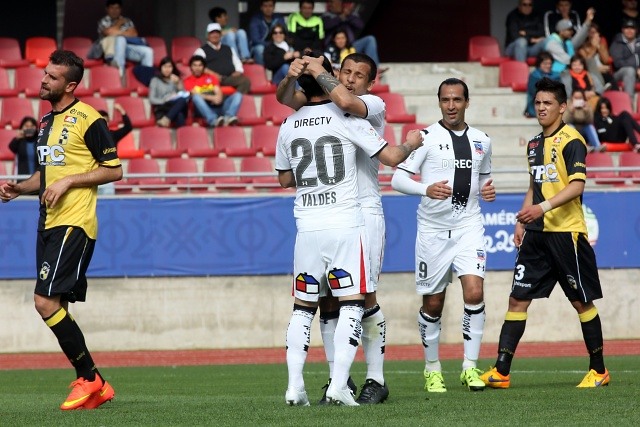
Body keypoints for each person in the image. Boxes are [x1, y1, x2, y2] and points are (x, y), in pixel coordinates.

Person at [276, 52, 423, 406]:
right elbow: (289, 98)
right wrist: (291, 75)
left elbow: (339, 99)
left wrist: (317, 72)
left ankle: (376, 378)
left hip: (363, 211)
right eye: (347, 72)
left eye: (360, 75)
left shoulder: (368, 104)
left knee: (364, 298)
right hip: (338, 215)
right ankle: (336, 379)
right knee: (328, 302)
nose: (352, 78)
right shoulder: (326, 111)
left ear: (370, 83)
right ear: (337, 72)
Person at [0, 49, 122, 409]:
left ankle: (89, 378)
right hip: (48, 221)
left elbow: (114, 169)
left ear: (70, 85)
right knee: (57, 305)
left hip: (75, 222)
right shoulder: (44, 123)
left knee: (44, 301)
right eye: (44, 73)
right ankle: (96, 385)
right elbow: (47, 175)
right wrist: (19, 188)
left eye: (52, 77)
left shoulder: (89, 118)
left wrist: (70, 182)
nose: (43, 80)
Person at [480, 77, 610, 389]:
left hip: (567, 233)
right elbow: (534, 186)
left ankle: (599, 370)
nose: (541, 108)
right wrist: (523, 220)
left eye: (548, 103)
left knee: (581, 302)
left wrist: (543, 208)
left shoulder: (572, 140)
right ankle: (501, 371)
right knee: (517, 299)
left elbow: (577, 185)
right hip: (536, 234)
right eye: (538, 103)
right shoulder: (534, 144)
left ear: (562, 107)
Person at [391, 78, 495, 393]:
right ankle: (432, 368)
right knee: (433, 304)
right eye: (446, 100)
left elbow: (485, 178)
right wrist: (426, 188)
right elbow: (397, 179)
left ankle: (470, 367)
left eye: (457, 100)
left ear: (466, 102)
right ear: (439, 102)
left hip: (469, 227)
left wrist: (487, 190)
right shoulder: (424, 138)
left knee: (474, 293)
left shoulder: (482, 140)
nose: (451, 106)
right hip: (433, 233)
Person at [97, 0, 154, 76]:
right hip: (110, 50)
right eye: (112, 8)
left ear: (121, 9)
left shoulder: (127, 21)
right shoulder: (103, 21)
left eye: (117, 8)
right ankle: (120, 73)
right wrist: (120, 24)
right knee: (121, 39)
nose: (115, 11)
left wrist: (116, 32)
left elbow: (134, 34)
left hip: (126, 48)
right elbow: (109, 33)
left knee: (148, 51)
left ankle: (147, 77)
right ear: (107, 9)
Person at [322, 0, 384, 69]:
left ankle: (375, 69)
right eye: (331, 2)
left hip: (351, 47)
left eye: (335, 3)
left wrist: (348, 16)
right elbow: (326, 25)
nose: (331, 5)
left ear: (341, 4)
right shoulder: (327, 15)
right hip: (335, 48)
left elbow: (360, 25)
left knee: (370, 39)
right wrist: (341, 17)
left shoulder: (350, 14)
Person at [183, 55, 242, 127]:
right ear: (191, 67)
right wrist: (212, 98)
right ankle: (213, 120)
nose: (197, 68)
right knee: (196, 97)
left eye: (200, 65)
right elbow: (193, 94)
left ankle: (228, 117)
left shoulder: (210, 77)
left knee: (238, 95)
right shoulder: (187, 81)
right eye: (194, 65)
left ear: (204, 67)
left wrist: (219, 97)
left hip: (219, 106)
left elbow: (218, 90)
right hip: (203, 109)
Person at [193, 23, 252, 94]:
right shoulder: (201, 50)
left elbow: (237, 62)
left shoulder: (229, 49)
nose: (215, 35)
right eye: (212, 33)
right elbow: (198, 67)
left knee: (245, 81)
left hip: (228, 78)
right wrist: (214, 75)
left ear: (221, 35)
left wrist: (238, 71)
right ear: (208, 36)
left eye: (217, 33)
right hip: (210, 79)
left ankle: (235, 100)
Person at [543, 8, 595, 75]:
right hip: (558, 73)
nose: (571, 32)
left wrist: (588, 21)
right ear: (561, 31)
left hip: (569, 70)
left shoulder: (567, 42)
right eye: (569, 30)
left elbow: (580, 37)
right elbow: (566, 59)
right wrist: (581, 64)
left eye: (571, 30)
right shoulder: (552, 42)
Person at [97, 103, 133, 195]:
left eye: (106, 121)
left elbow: (128, 127)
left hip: (108, 177)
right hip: (94, 177)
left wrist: (122, 110)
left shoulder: (112, 135)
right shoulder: (89, 137)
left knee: (108, 206)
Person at [148, 56, 189, 128]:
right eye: (165, 67)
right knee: (179, 114)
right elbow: (152, 99)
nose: (167, 69)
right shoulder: (155, 80)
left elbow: (184, 95)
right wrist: (165, 100)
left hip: (174, 106)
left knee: (182, 103)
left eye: (169, 67)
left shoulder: (176, 79)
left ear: (173, 68)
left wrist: (178, 83)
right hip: (162, 107)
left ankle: (166, 119)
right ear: (161, 68)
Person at [248, 0, 287, 66]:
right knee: (259, 49)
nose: (268, 8)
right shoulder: (256, 19)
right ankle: (262, 73)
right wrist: (270, 45)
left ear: (274, 7)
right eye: (265, 6)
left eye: (270, 6)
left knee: (289, 49)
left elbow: (284, 33)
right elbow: (255, 40)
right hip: (262, 45)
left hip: (277, 44)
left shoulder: (279, 18)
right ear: (261, 7)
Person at [609, 19, 640, 101]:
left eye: (632, 28)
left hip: (637, 73)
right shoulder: (617, 42)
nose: (629, 30)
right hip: (620, 74)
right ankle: (629, 103)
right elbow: (618, 63)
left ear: (636, 30)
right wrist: (636, 69)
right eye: (627, 28)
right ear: (622, 30)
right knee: (629, 71)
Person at [525, 52, 562, 118]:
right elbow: (533, 92)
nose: (548, 66)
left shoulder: (556, 76)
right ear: (539, 64)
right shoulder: (534, 75)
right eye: (545, 64)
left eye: (550, 63)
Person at [578, 23, 614, 88]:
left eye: (595, 33)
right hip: (591, 72)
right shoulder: (582, 48)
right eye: (591, 32)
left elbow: (606, 61)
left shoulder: (601, 45)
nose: (593, 35)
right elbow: (587, 61)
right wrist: (594, 47)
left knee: (609, 77)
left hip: (604, 71)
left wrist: (599, 47)